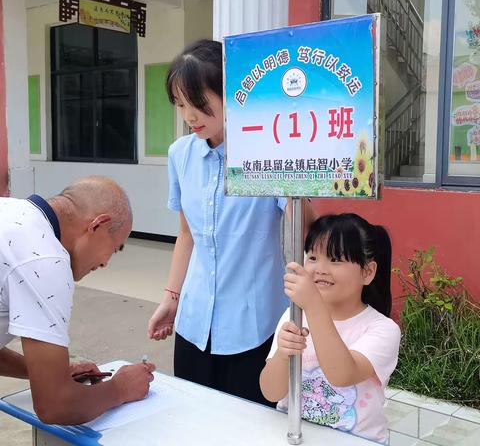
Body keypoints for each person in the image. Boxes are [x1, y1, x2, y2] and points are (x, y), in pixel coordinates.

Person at [147, 39, 314, 406]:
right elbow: (187, 234)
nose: (190, 116)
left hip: (253, 326)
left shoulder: (266, 152)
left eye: (200, 104)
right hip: (193, 324)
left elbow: (304, 230)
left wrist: (295, 181)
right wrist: (171, 298)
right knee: (193, 419)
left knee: (249, 427)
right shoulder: (180, 155)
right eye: (180, 105)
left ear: (232, 96)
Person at [0, 176, 156, 425]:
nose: (106, 263)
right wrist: (120, 389)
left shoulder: (11, 212)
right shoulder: (45, 259)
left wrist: (51, 373)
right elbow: (56, 406)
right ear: (97, 225)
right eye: (115, 248)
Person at [260, 213, 401, 444]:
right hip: (296, 437)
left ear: (367, 272)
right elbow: (270, 392)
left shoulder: (382, 329)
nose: (320, 269)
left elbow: (342, 374)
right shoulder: (293, 316)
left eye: (335, 259)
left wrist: (313, 304)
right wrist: (283, 356)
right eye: (313, 257)